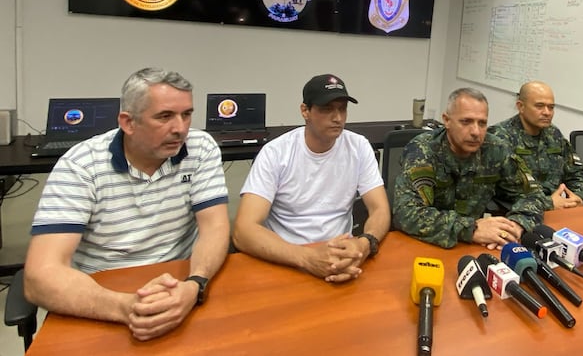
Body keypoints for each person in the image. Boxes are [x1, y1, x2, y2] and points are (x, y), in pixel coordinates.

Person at [25, 67, 230, 341]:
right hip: (102, 294)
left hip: (180, 283)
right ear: (128, 122)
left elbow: (215, 227)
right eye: (165, 116)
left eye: (187, 114)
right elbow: (40, 276)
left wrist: (196, 284)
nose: (180, 128)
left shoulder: (201, 148)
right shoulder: (81, 165)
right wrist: (127, 307)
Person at [233, 74, 390, 283]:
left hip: (341, 259)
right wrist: (307, 258)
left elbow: (380, 209)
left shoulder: (359, 147)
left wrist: (364, 244)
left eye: (342, 108)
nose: (338, 118)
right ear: (305, 111)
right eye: (327, 109)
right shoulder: (276, 153)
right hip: (286, 260)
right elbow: (243, 231)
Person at [392, 87, 548, 249]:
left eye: (482, 123)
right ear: (446, 120)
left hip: (477, 246)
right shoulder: (422, 150)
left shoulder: (496, 149)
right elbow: (406, 213)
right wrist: (470, 228)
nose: (476, 132)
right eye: (466, 122)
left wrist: (515, 225)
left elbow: (533, 194)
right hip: (426, 243)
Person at [489, 81, 583, 210]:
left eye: (551, 107)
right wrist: (548, 203)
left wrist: (577, 197)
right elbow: (509, 189)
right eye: (539, 106)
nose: (547, 112)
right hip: (519, 213)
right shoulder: (498, 137)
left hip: (559, 209)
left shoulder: (553, 133)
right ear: (521, 107)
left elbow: (576, 173)